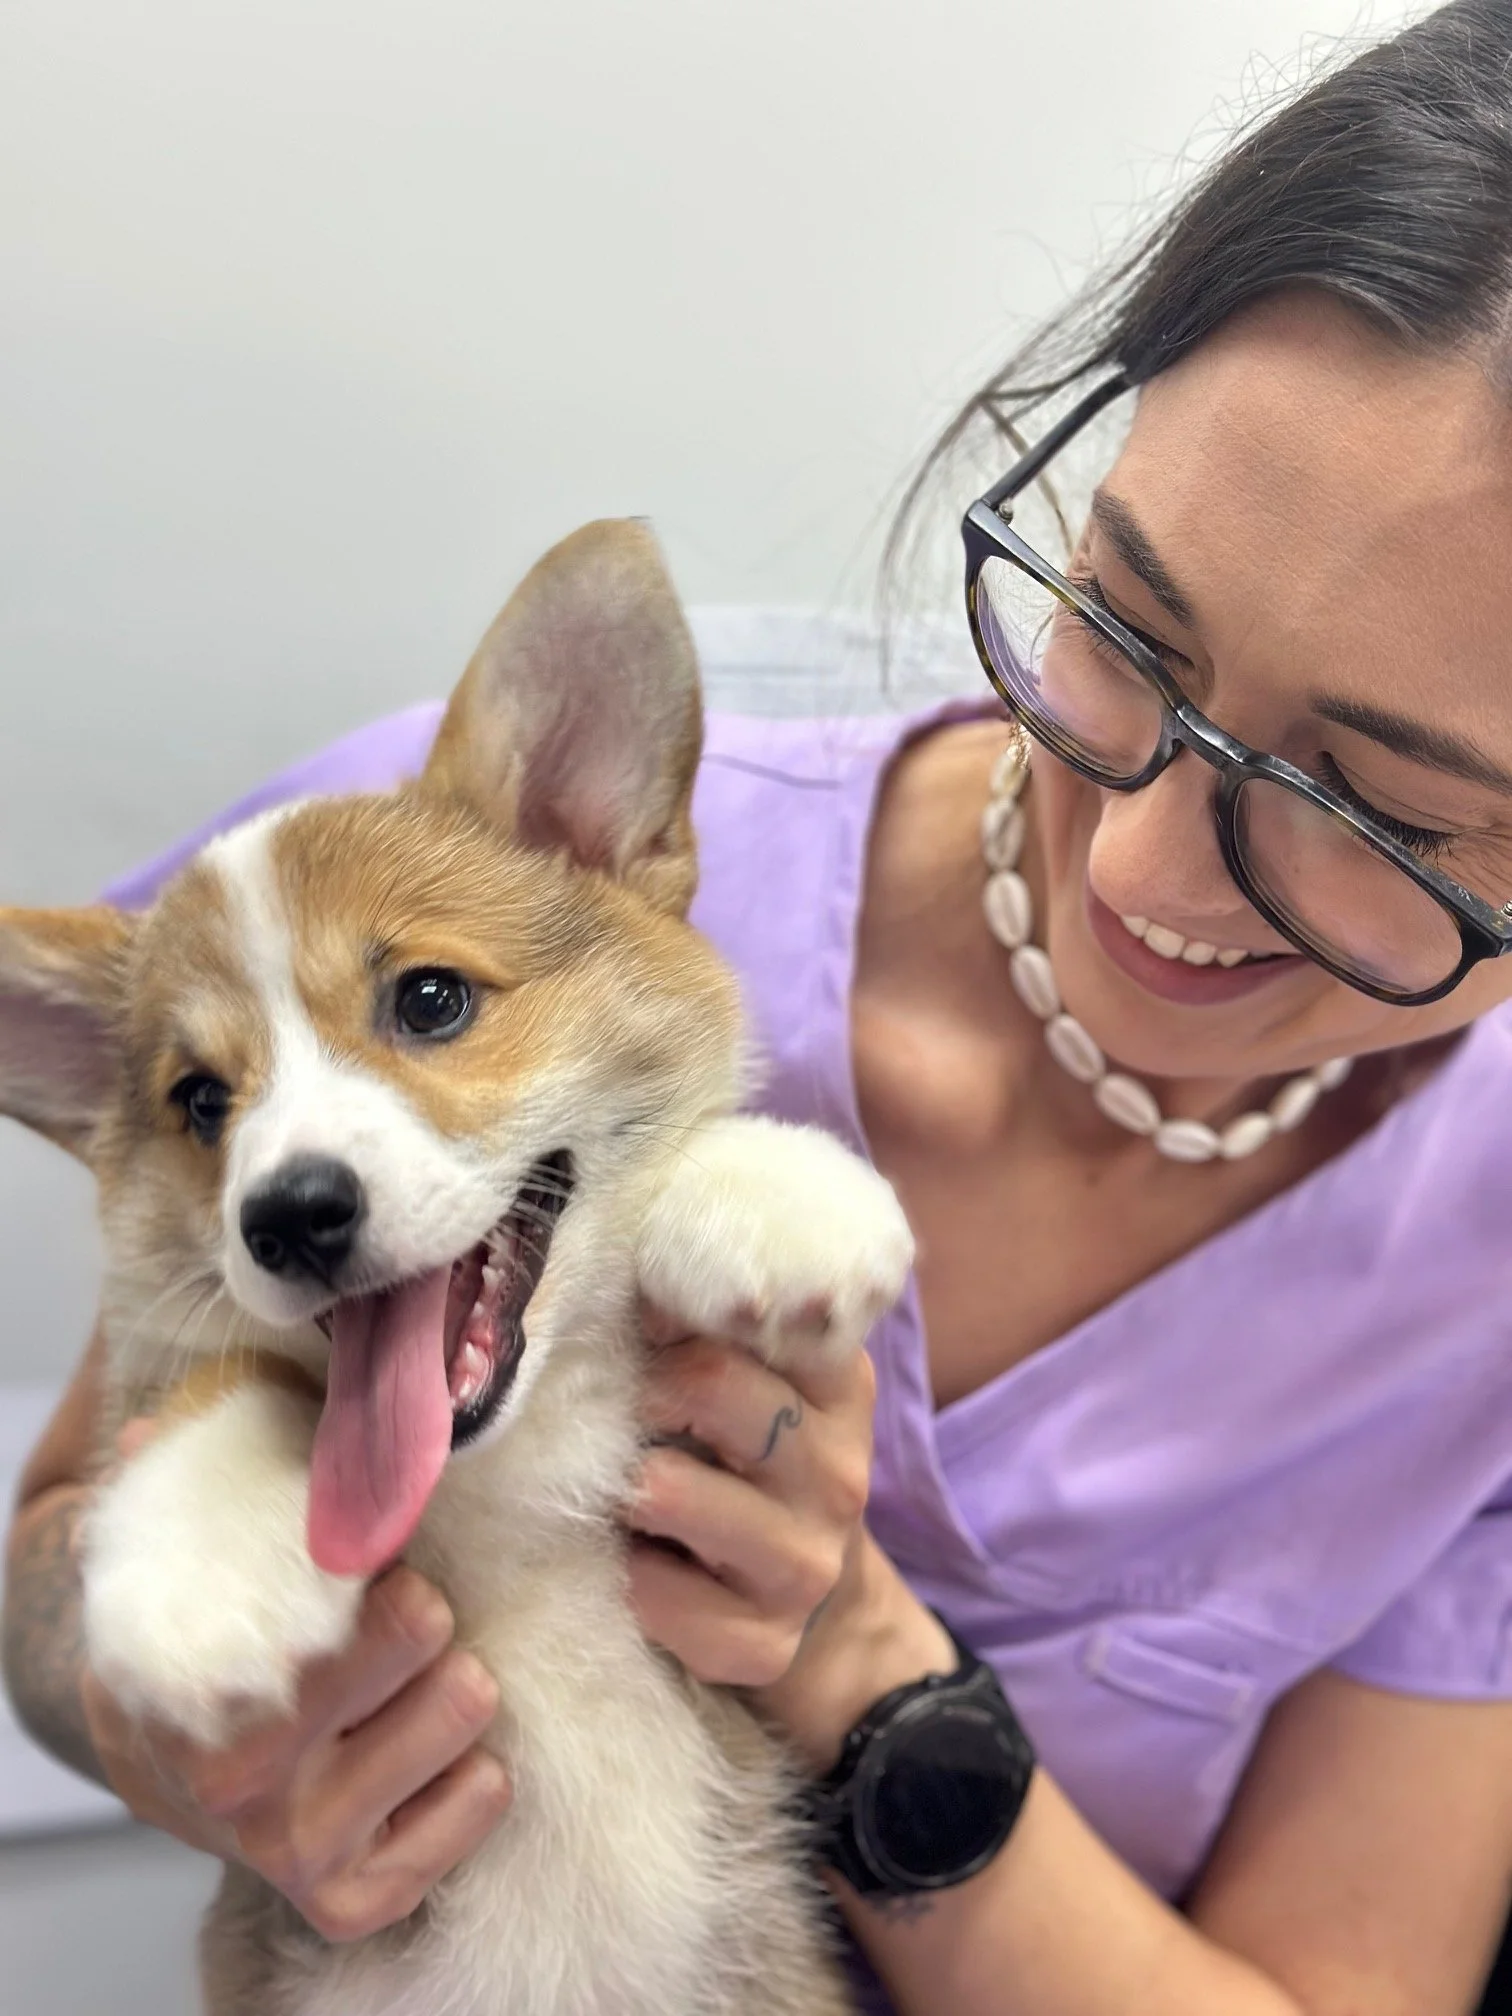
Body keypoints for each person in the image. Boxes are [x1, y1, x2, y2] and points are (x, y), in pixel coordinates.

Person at [10, 3, 1512, 2010]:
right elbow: (59, 1573)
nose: (1142, 878)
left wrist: (855, 1666)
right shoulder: (378, 867)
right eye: (1128, 630)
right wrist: (185, 1730)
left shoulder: (1479, 1260)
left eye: (1386, 811)